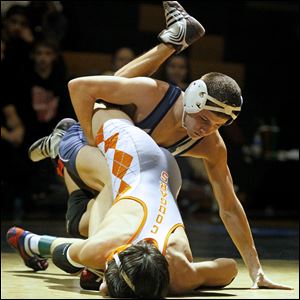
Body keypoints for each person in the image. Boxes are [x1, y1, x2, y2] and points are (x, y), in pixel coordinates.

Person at [25, 1, 291, 290]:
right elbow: (80, 87)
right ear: (192, 98)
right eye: (204, 118)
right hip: (87, 144)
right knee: (111, 201)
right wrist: (91, 140)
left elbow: (228, 206)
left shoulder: (211, 144)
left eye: (216, 125)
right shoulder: (154, 94)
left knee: (82, 224)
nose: (206, 129)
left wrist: (255, 268)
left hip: (121, 166)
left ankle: (175, 37)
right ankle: (64, 140)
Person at [7, 107, 240, 297]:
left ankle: (31, 243)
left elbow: (230, 269)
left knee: (86, 228)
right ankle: (63, 143)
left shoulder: (179, 273)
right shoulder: (105, 246)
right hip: (126, 145)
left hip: (165, 172)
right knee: (81, 224)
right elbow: (69, 256)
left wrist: (191, 278)